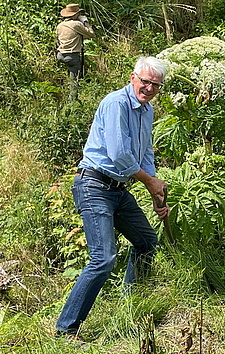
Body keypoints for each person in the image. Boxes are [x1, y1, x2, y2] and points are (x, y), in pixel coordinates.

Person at [55, 56, 170, 337]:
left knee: (146, 242)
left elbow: (145, 153)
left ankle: (129, 309)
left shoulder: (147, 111)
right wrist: (149, 181)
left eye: (156, 84)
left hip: (118, 190)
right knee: (104, 258)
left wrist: (154, 191)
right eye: (145, 82)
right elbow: (119, 155)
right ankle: (65, 329)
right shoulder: (115, 103)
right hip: (94, 186)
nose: (149, 88)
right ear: (133, 78)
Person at [56, 3, 94, 101]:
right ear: (75, 15)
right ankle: (72, 103)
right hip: (72, 56)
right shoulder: (76, 24)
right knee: (74, 82)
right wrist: (85, 22)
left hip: (60, 55)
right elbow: (91, 34)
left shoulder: (60, 25)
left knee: (66, 74)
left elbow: (57, 39)